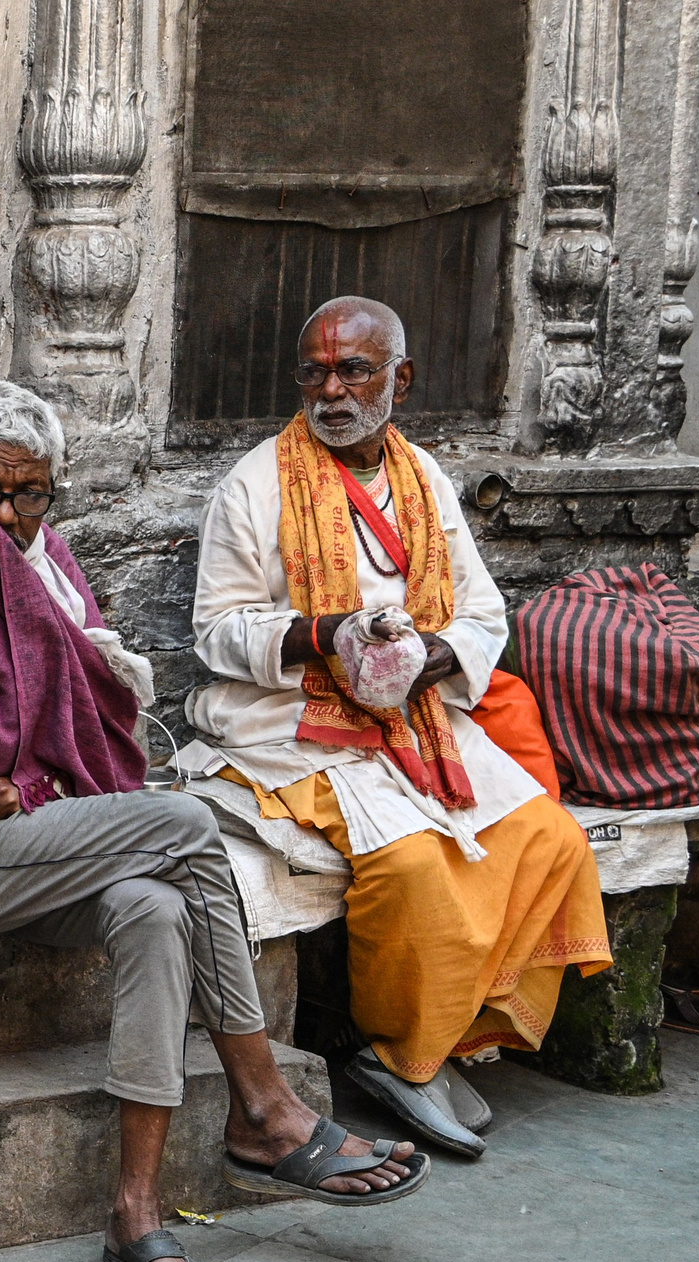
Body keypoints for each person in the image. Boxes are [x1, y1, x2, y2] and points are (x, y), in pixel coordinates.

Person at [0, 377, 422, 1262]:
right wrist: (18, 768)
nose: (8, 516)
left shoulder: (40, 554)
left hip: (17, 829)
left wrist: (24, 778)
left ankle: (135, 1213)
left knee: (154, 906)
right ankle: (263, 1104)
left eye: (30, 494)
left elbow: (80, 711)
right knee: (182, 824)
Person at [186, 297, 610, 1157]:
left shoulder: (425, 479)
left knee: (553, 840)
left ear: (400, 380)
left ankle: (450, 1036)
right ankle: (398, 1054)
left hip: (421, 718)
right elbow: (217, 631)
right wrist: (326, 635)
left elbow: (483, 611)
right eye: (315, 373)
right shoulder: (255, 484)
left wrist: (436, 656)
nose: (331, 391)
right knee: (413, 863)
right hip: (294, 724)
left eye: (354, 371)